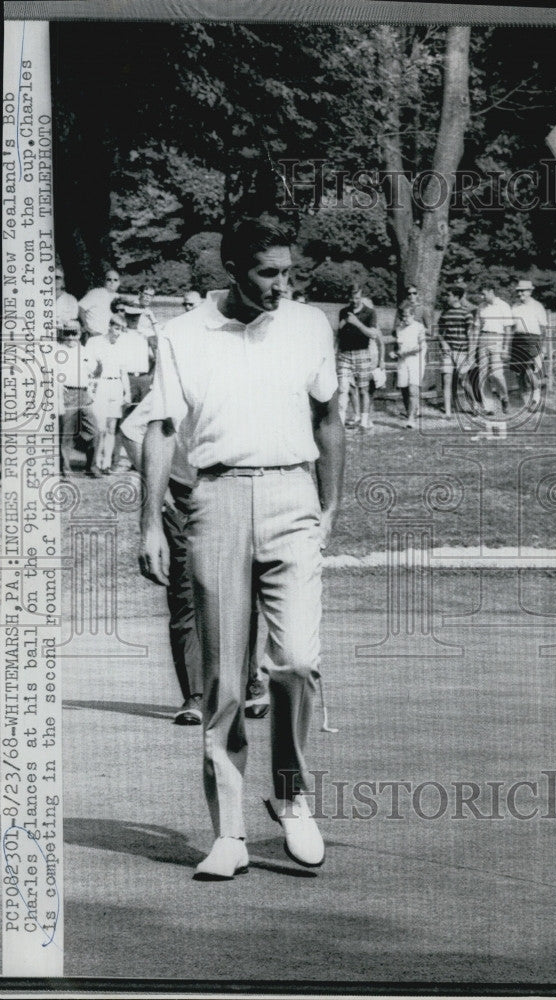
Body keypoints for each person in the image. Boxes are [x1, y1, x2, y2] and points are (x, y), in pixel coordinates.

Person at [139, 215, 344, 878]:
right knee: (224, 677)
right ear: (233, 269)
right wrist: (147, 526)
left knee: (297, 663)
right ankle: (227, 834)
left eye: (290, 273)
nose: (283, 286)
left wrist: (330, 506)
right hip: (218, 498)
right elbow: (161, 429)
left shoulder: (310, 325)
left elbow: (328, 418)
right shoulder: (182, 333)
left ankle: (291, 794)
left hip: (293, 497)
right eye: (267, 274)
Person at [121, 391, 269, 726]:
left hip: (236, 492)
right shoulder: (174, 384)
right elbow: (131, 430)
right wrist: (157, 486)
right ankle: (197, 693)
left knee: (243, 591)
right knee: (185, 592)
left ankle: (249, 683)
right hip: (185, 497)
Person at [86, 313, 131, 475]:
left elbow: (123, 371)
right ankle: (95, 462)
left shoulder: (123, 345)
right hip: (101, 385)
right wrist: (90, 389)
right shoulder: (94, 342)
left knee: (112, 428)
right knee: (100, 427)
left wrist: (128, 393)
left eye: (121, 329)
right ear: (109, 326)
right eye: (116, 328)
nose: (118, 332)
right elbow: (88, 370)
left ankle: (106, 464)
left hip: (117, 386)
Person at [336, 283, 382, 432]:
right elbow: (339, 333)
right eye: (352, 297)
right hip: (344, 353)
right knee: (343, 388)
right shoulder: (344, 312)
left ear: (361, 296)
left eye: (357, 297)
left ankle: (363, 422)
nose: (354, 301)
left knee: (363, 389)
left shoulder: (369, 312)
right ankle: (340, 423)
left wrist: (357, 323)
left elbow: (373, 334)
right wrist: (334, 350)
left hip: (362, 352)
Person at [57, 322, 97, 477]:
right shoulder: (58, 351)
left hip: (84, 394)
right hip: (68, 394)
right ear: (62, 334)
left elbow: (93, 373)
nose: (70, 337)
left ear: (80, 334)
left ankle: (91, 467)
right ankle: (65, 470)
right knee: (66, 434)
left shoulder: (86, 352)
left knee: (93, 431)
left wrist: (91, 391)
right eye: (67, 334)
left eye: (74, 333)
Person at [475, 281, 513, 431]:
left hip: (498, 339)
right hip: (483, 339)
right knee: (483, 374)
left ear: (491, 291)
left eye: (483, 293)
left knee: (497, 374)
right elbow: (477, 327)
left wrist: (505, 348)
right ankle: (488, 406)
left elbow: (508, 329)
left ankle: (504, 398)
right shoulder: (481, 307)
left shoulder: (503, 306)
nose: (481, 296)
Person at [437, 285, 475, 418]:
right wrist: (443, 343)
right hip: (447, 351)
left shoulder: (466, 313)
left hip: (462, 351)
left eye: (449, 295)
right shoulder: (444, 313)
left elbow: (471, 335)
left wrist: (470, 354)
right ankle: (448, 412)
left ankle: (474, 404)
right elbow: (439, 332)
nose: (447, 298)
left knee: (463, 380)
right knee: (446, 379)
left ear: (456, 297)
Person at [511, 279, 548, 411]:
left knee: (530, 370)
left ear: (530, 291)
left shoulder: (537, 306)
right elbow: (511, 326)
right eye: (519, 291)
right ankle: (525, 398)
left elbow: (543, 327)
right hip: (517, 339)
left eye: (523, 291)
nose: (520, 293)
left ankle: (536, 398)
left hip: (532, 339)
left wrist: (542, 346)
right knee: (518, 372)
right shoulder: (514, 306)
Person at [391, 300, 426, 428]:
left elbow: (420, 346)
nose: (404, 319)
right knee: (404, 389)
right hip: (403, 361)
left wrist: (405, 352)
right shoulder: (399, 329)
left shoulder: (419, 327)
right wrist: (395, 353)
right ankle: (410, 412)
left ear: (412, 315)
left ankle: (411, 419)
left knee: (413, 389)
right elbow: (399, 347)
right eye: (402, 316)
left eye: (407, 316)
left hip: (416, 361)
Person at [78, 268, 120, 341]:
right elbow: (80, 307)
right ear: (104, 281)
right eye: (109, 279)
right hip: (93, 334)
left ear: (119, 283)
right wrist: (85, 326)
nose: (112, 282)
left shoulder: (116, 296)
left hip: (107, 336)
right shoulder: (96, 293)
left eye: (115, 280)